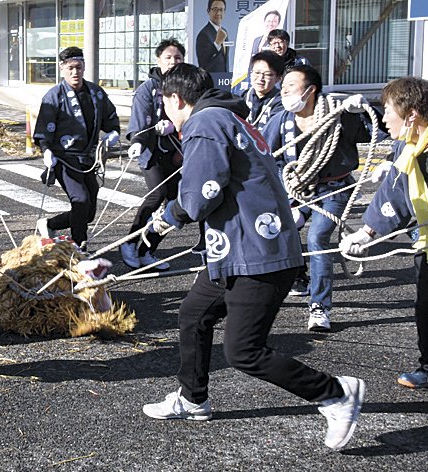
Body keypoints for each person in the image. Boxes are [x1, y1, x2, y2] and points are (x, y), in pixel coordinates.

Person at [140, 63, 365, 451]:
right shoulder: (229, 117)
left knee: (244, 351)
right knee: (194, 313)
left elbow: (201, 193)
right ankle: (193, 398)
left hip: (257, 253)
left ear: (176, 98)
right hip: (234, 251)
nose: (164, 110)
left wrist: (165, 219)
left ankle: (335, 393)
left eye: (164, 102)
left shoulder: (205, 122)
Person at [261, 65, 372, 331]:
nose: (284, 89)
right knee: (277, 232)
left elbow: (371, 131)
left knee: (317, 238)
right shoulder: (281, 119)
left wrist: (361, 110)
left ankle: (319, 306)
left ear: (310, 90)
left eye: (291, 85)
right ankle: (293, 281)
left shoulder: (336, 114)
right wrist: (286, 186)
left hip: (333, 189)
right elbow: (265, 154)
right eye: (283, 85)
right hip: (297, 190)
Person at [340, 77, 428, 389]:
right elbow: (392, 196)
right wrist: (366, 233)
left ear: (412, 115)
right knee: (426, 308)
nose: (383, 118)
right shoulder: (406, 147)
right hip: (427, 246)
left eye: (388, 111)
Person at [33, 47, 120, 248]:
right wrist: (46, 150)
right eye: (70, 68)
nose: (75, 72)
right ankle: (79, 246)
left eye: (79, 67)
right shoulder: (53, 96)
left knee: (88, 211)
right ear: (62, 68)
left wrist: (113, 133)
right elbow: (44, 131)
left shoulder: (96, 92)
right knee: (79, 199)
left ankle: (51, 224)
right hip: (64, 158)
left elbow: (110, 120)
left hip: (88, 158)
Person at [120, 38, 185, 271]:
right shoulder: (148, 89)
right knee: (157, 194)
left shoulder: (185, 85)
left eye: (177, 57)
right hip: (152, 153)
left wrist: (176, 128)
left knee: (179, 202)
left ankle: (148, 249)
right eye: (168, 57)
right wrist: (137, 140)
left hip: (177, 154)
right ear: (158, 60)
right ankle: (129, 242)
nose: (173, 61)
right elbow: (140, 122)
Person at [242, 51, 285, 131]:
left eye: (267, 74)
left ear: (278, 78)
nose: (260, 78)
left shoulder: (281, 102)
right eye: (257, 73)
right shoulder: (242, 96)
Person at [196, 0, 228, 73]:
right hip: (210, 79)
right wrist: (217, 43)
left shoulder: (224, 32)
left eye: (221, 10)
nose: (218, 13)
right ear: (208, 11)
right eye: (215, 9)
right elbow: (203, 61)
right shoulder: (203, 34)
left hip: (223, 79)